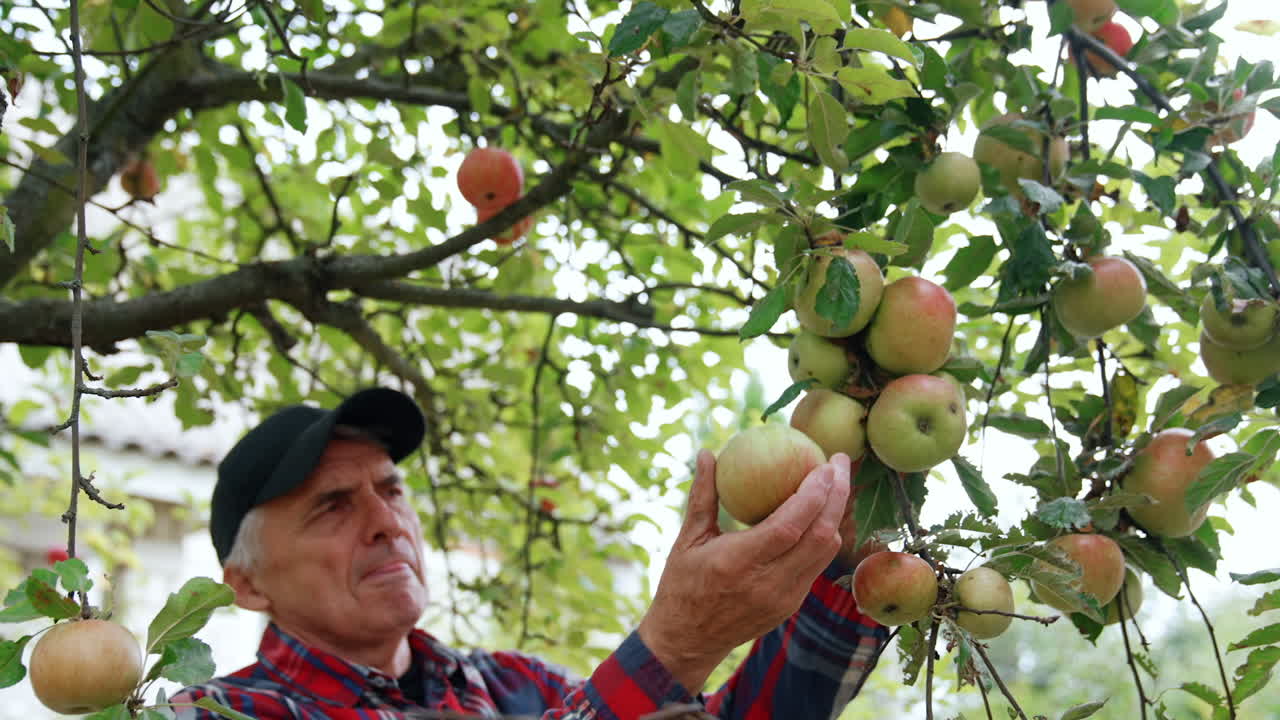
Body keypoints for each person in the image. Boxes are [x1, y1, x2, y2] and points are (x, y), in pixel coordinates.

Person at [170, 387, 886, 719]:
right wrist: (673, 645)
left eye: (390, 489)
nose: (386, 522)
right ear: (247, 584)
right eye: (332, 506)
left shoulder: (516, 687)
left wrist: (844, 567)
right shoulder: (209, 715)